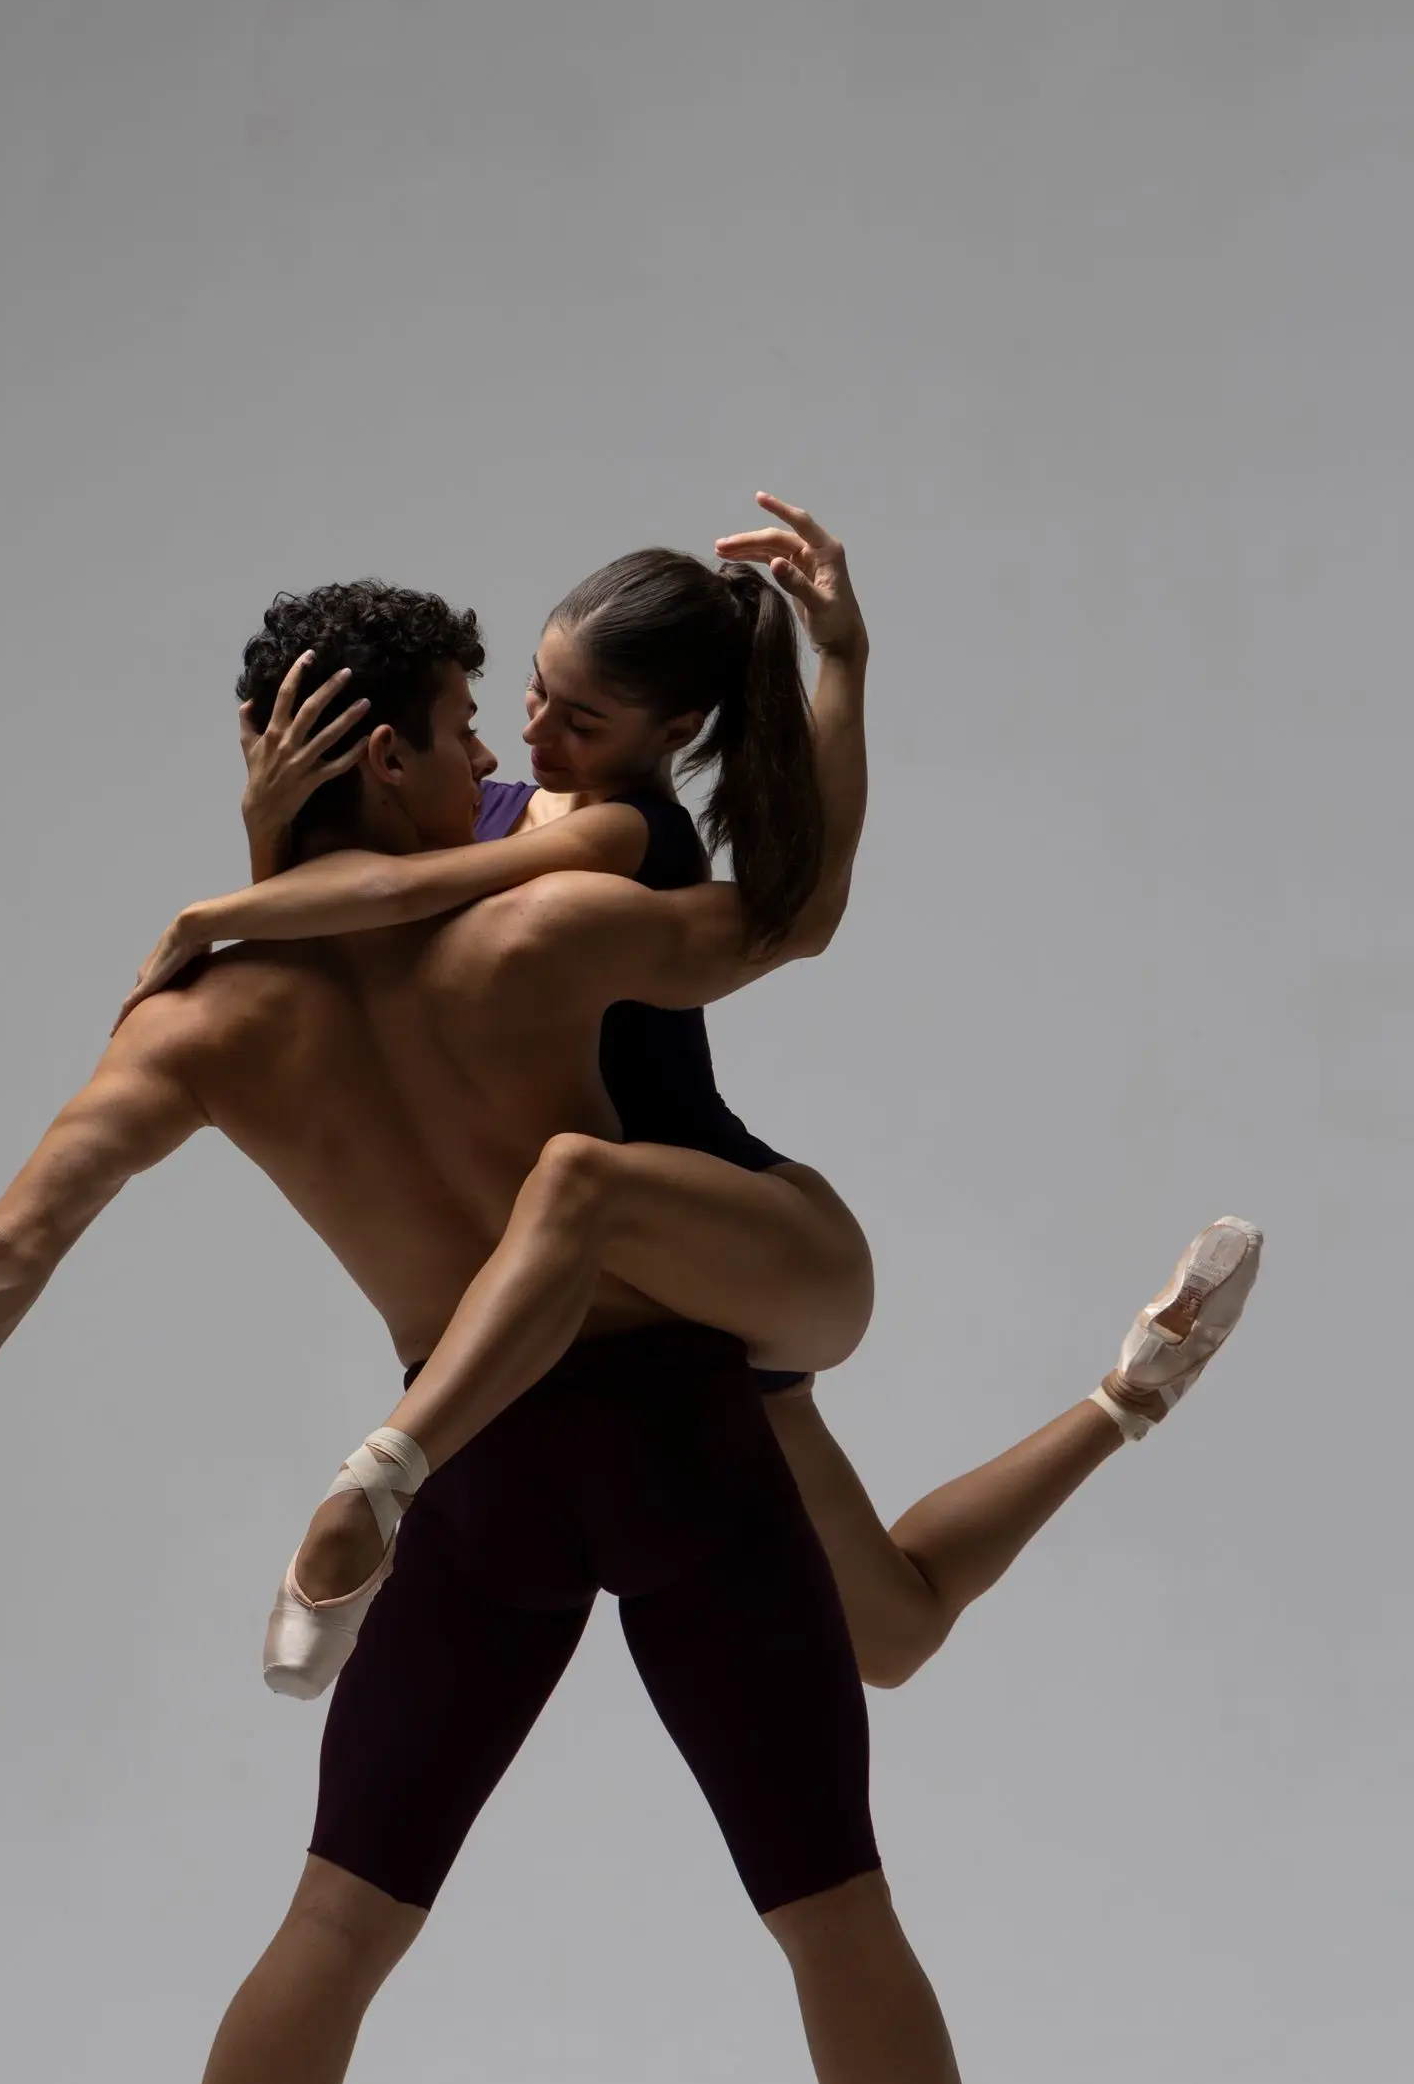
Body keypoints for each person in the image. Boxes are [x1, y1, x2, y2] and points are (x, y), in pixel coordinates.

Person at [0, 564, 1175, 2084]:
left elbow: (13, 1241)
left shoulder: (195, 1026)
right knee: (834, 1913)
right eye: (458, 731)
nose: (493, 761)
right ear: (388, 755)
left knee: (338, 1921)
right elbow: (784, 917)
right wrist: (836, 680)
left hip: (484, 1476)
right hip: (676, 1435)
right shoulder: (555, 931)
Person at [121, 501, 1260, 1695]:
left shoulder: (621, 834)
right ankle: (1131, 1394)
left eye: (580, 716)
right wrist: (269, 836)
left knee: (578, 1182)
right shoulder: (485, 803)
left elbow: (411, 903)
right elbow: (344, 996)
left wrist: (227, 903)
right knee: (896, 1634)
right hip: (638, 1306)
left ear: (674, 729)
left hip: (714, 1234)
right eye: (532, 694)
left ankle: (377, 1486)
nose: (534, 731)